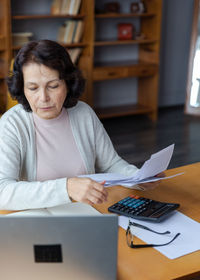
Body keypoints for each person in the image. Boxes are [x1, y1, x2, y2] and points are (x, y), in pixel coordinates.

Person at [0, 39, 162, 211]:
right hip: (39, 221)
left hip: (88, 213)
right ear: (22, 88)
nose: (43, 98)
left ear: (68, 84)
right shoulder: (12, 124)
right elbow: (3, 191)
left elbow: (110, 164)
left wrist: (138, 178)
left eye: (53, 86)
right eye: (32, 88)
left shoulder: (83, 113)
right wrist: (67, 188)